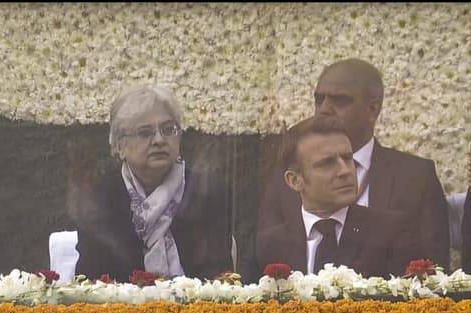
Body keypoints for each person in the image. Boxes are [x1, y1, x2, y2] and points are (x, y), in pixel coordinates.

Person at [256, 58, 449, 270]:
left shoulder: (416, 177)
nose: (324, 109)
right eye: (319, 100)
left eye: (340, 100)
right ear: (294, 181)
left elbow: (433, 270)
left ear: (373, 109)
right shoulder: (286, 175)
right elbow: (265, 258)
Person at [72, 84, 234, 282]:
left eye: (168, 129)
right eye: (145, 132)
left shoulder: (209, 192)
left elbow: (220, 280)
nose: (159, 140)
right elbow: (90, 283)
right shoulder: (98, 198)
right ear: (120, 146)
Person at [242, 117, 422, 283]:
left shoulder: (392, 233)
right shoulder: (266, 247)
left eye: (348, 158)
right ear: (294, 180)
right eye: (327, 163)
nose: (345, 171)